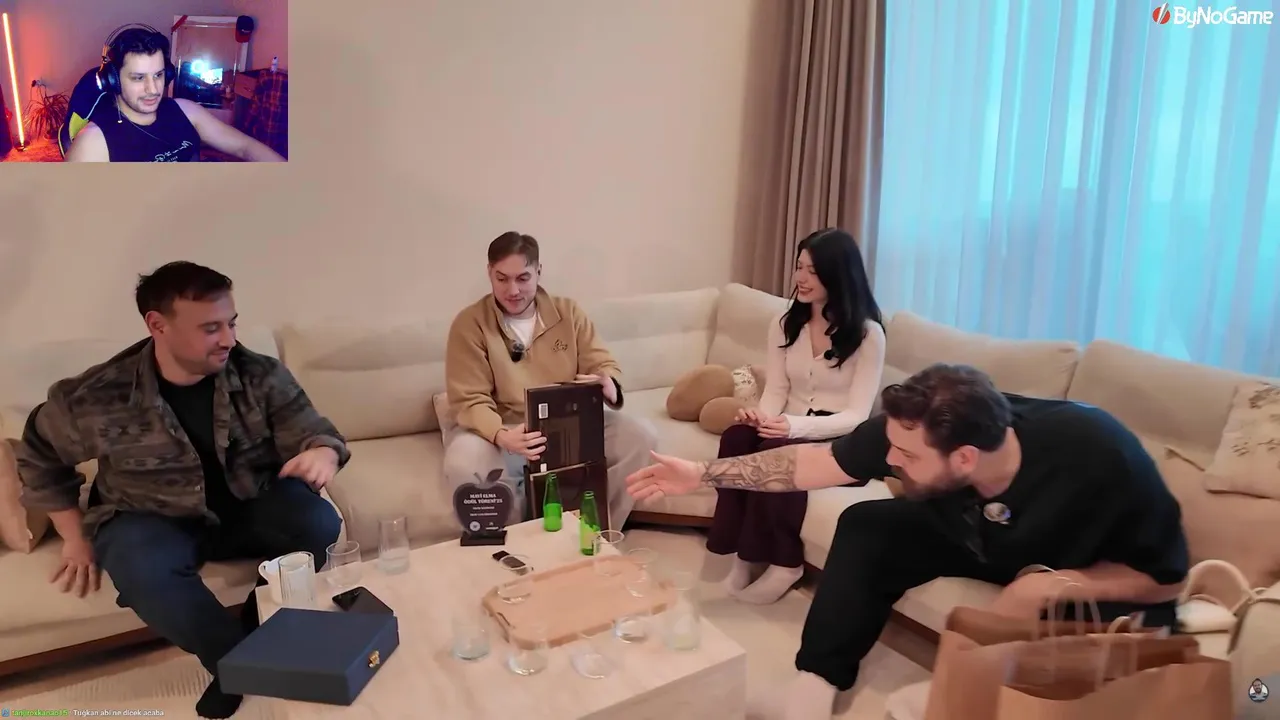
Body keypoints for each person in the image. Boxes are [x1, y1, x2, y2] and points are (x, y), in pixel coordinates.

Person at [626, 363, 1189, 720]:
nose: (890, 461)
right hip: (977, 536)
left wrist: (1051, 586)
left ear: (964, 458)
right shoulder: (914, 426)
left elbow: (1166, 580)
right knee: (869, 524)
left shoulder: (1099, 456)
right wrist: (701, 474)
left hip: (1072, 568)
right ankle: (815, 682)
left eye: (907, 457)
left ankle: (970, 697)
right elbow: (814, 464)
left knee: (1106, 655)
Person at [11, 262, 348, 719]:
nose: (228, 339)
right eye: (211, 328)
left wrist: (323, 453)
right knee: (141, 568)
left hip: (247, 501)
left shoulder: (258, 374)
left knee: (318, 523)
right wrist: (73, 536)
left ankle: (260, 637)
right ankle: (235, 663)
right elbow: (38, 456)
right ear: (158, 325)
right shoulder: (97, 395)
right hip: (151, 515)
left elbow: (313, 430)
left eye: (231, 323)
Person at [710, 228, 885, 605]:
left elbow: (857, 415)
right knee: (737, 436)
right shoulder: (784, 323)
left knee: (776, 452)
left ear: (838, 275)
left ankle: (786, 563)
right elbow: (776, 389)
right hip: (788, 425)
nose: (801, 278)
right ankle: (743, 555)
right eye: (799, 267)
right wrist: (760, 417)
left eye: (813, 271)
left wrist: (793, 426)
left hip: (841, 439)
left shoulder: (868, 335)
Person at [444, 231, 658, 530]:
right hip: (504, 428)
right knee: (465, 459)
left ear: (538, 272)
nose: (513, 290)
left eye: (523, 278)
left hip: (564, 423)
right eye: (502, 279)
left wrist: (607, 382)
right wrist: (502, 435)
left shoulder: (568, 312)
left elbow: (601, 363)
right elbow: (469, 399)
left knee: (640, 436)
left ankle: (595, 532)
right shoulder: (470, 324)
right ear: (489, 273)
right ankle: (517, 545)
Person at [64, 25, 284, 162]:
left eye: (159, 75)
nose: (153, 89)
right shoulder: (93, 144)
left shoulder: (186, 111)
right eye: (138, 78)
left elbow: (245, 147)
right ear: (113, 80)